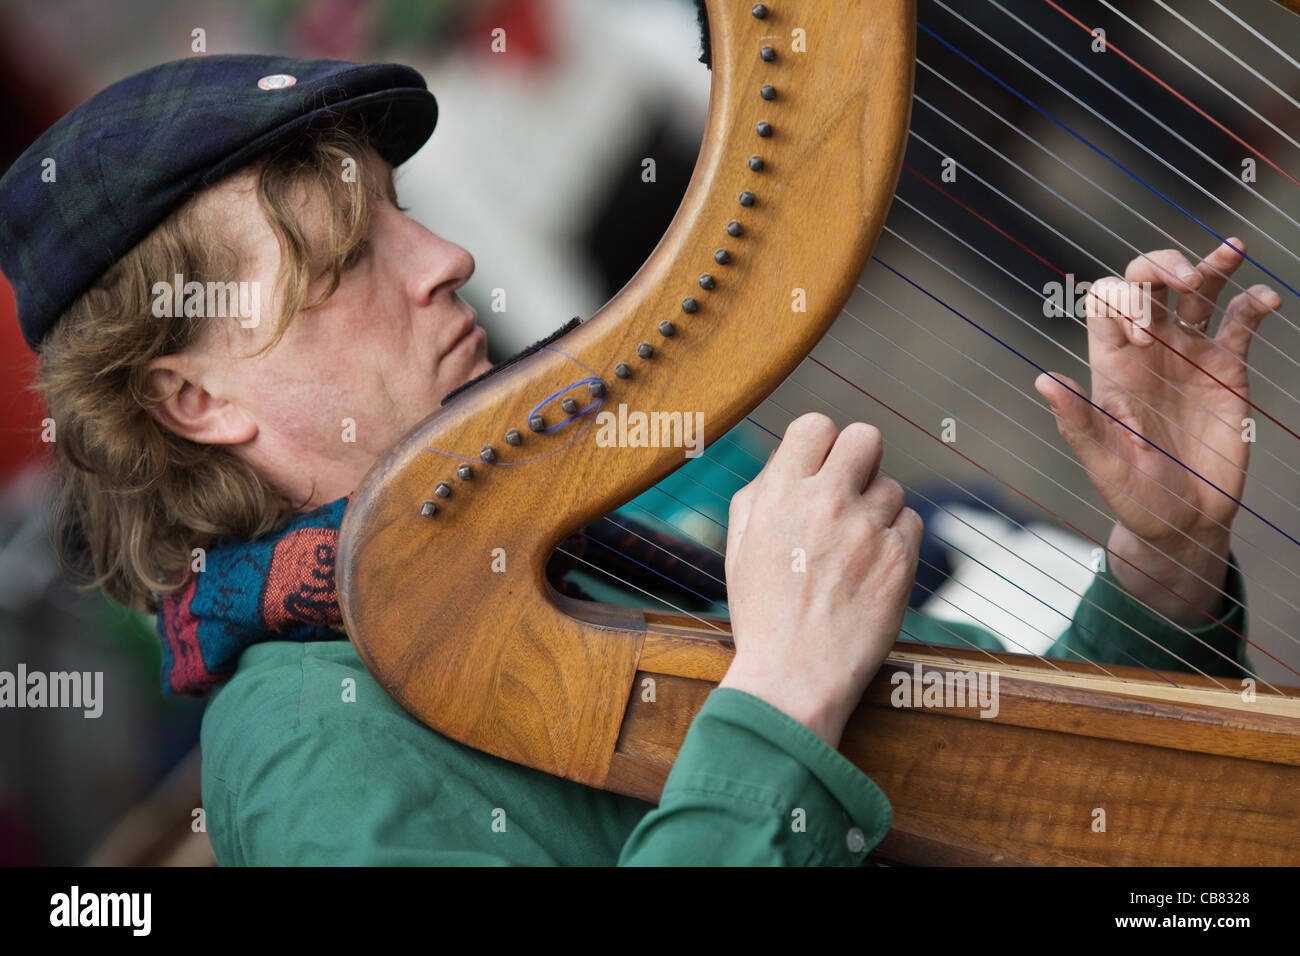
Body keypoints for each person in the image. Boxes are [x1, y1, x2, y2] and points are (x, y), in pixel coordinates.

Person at [0, 53, 1273, 865]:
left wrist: (1160, 556)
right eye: (346, 261)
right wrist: (775, 701)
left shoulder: (544, 558)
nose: (442, 259)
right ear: (192, 395)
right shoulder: (306, 741)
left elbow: (1055, 802)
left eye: (404, 216)